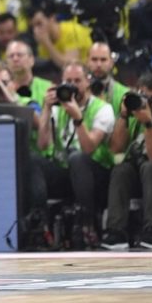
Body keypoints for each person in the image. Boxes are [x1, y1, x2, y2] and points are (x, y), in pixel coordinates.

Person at [34, 62, 115, 249]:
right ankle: (40, 222)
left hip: (97, 174)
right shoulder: (57, 109)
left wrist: (78, 118)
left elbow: (88, 148)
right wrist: (46, 109)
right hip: (68, 173)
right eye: (68, 81)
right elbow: (42, 145)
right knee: (33, 160)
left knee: (77, 158)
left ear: (87, 82)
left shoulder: (103, 109)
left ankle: (87, 223)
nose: (72, 85)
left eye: (77, 81)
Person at [102, 73, 152, 250]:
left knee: (150, 168)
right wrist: (124, 116)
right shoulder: (135, 113)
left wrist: (149, 124)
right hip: (137, 170)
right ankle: (116, 231)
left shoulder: (145, 117)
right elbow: (116, 148)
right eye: (143, 97)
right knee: (121, 169)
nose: (147, 103)